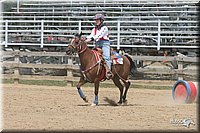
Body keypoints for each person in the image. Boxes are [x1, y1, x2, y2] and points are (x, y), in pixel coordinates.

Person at [85, 13, 112, 79]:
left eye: (97, 20)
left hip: (105, 44)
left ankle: (108, 71)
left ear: (101, 20)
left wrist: (89, 40)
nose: (96, 21)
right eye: (95, 20)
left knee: (106, 57)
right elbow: (91, 35)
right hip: (97, 44)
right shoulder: (94, 29)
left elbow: (98, 36)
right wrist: (84, 39)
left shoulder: (104, 28)